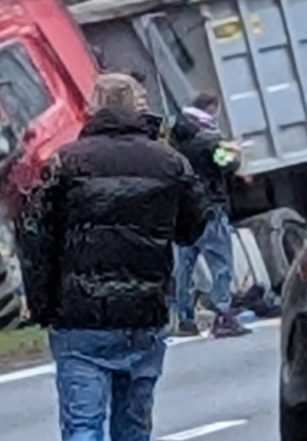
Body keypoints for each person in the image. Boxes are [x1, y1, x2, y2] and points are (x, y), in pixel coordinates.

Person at [17, 74, 211, 441]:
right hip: (145, 309)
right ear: (139, 109)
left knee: (83, 425)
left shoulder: (65, 163)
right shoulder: (169, 162)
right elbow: (193, 226)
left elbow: (33, 238)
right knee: (133, 425)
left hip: (80, 315)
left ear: (92, 109)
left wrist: (42, 305)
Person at [170, 92, 251, 338]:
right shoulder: (210, 141)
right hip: (209, 209)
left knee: (184, 266)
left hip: (184, 212)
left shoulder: (174, 142)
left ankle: (183, 318)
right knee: (220, 264)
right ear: (211, 109)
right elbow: (226, 166)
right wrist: (234, 153)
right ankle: (223, 315)